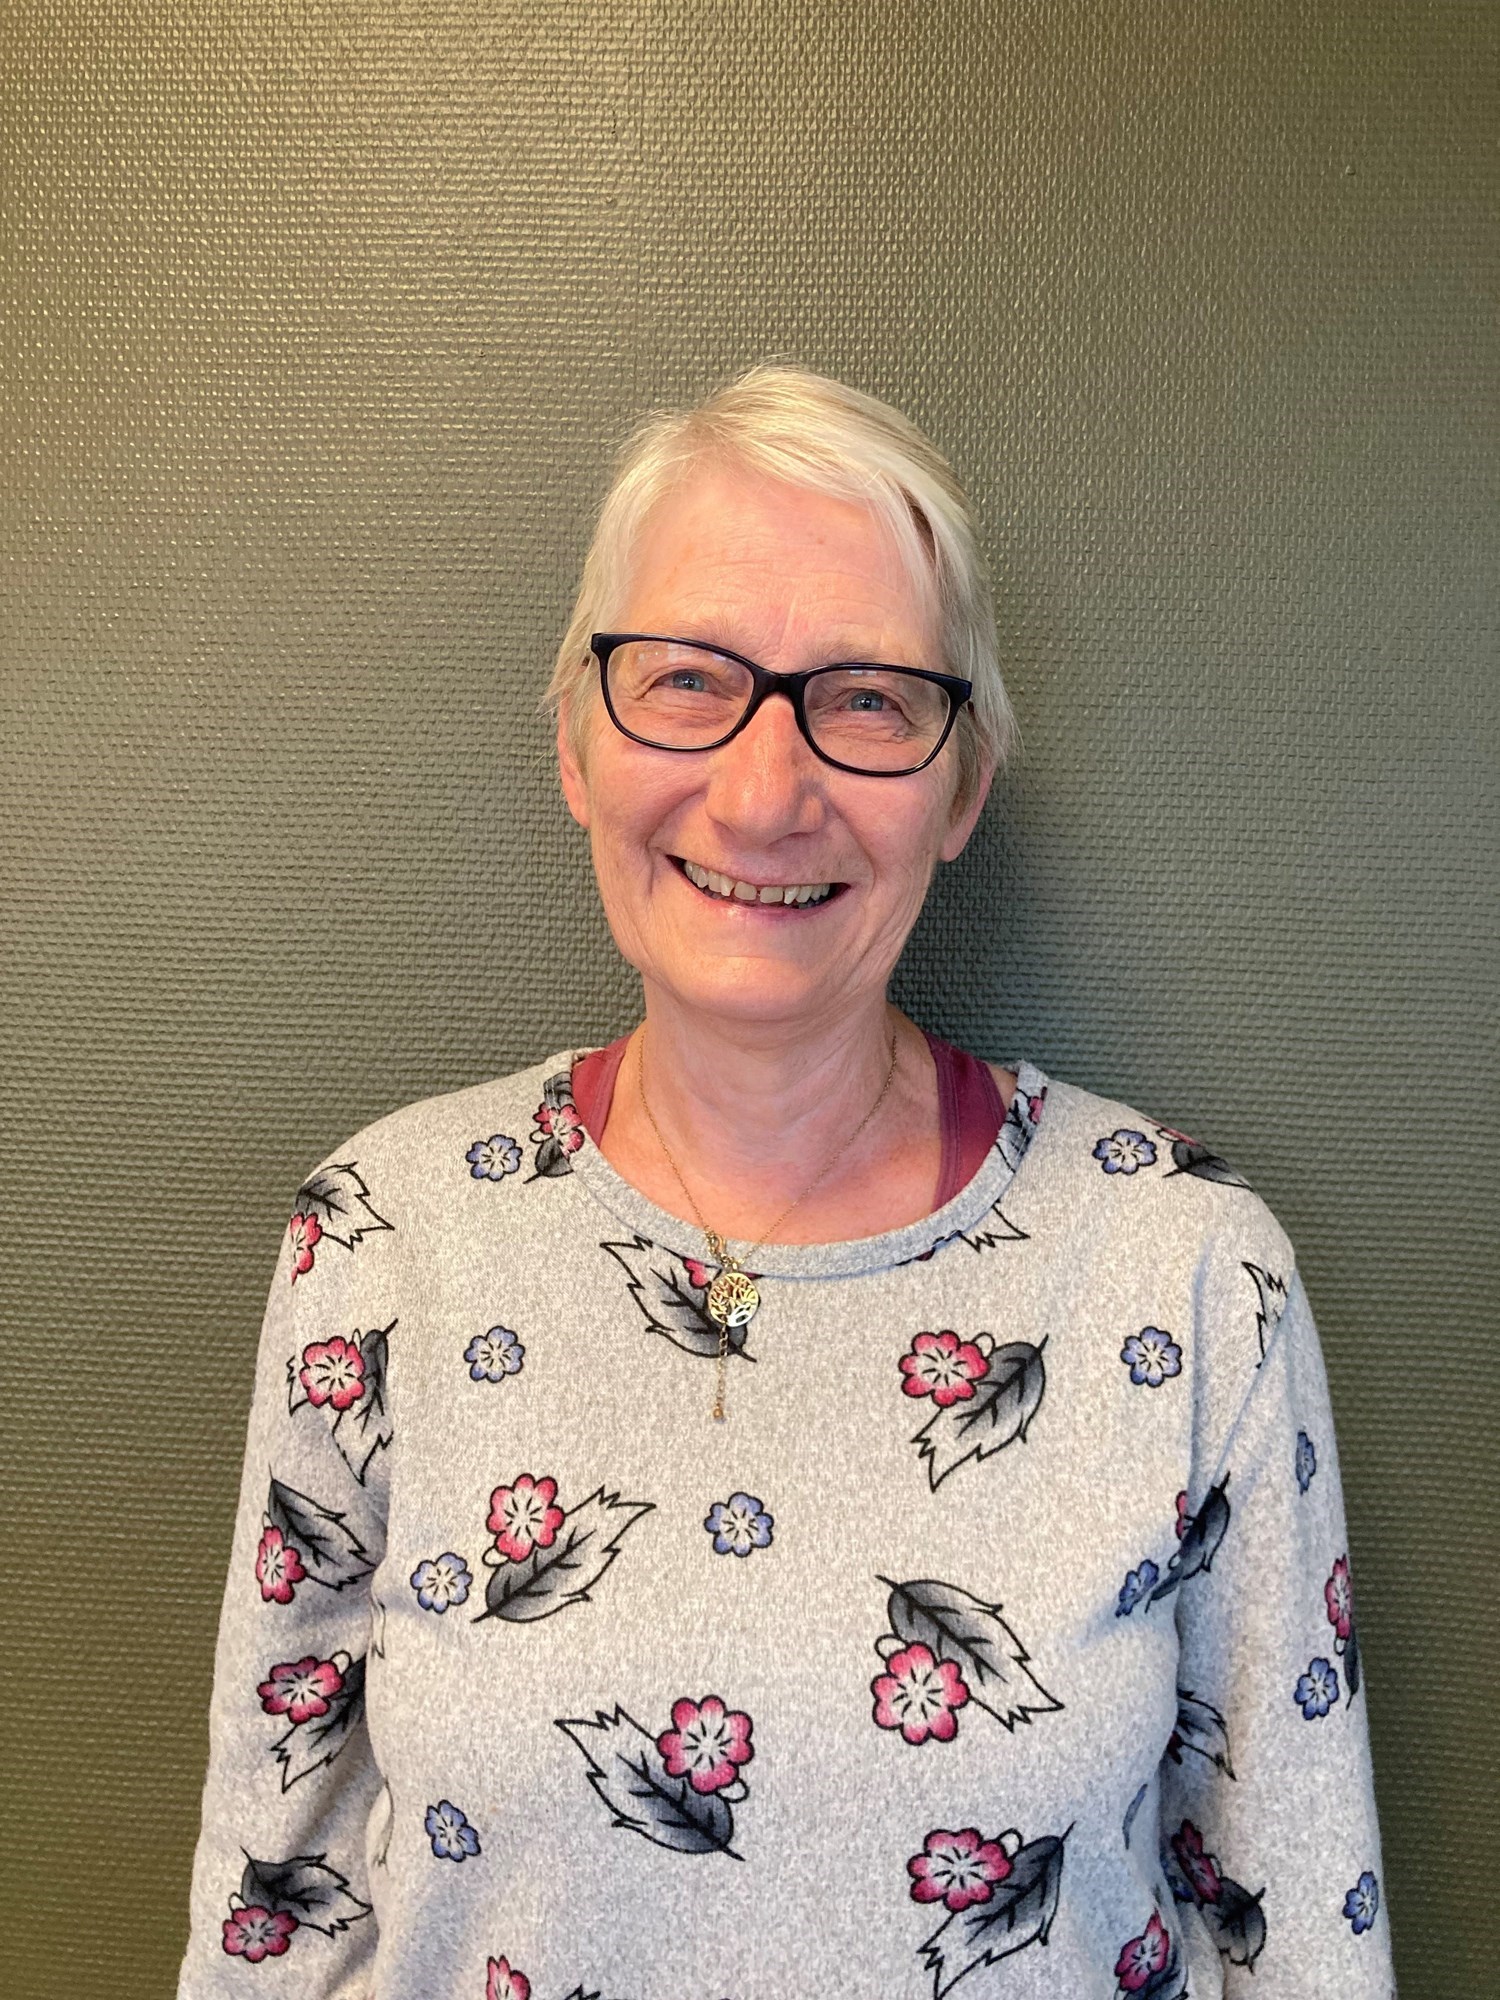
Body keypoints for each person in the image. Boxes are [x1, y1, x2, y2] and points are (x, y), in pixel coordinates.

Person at [179, 364, 1394, 1999]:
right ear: (577, 746)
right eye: (686, 680)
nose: (762, 795)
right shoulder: (384, 1239)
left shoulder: (1183, 1268)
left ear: (962, 787)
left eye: (871, 699)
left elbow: (1299, 1931)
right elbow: (273, 1915)